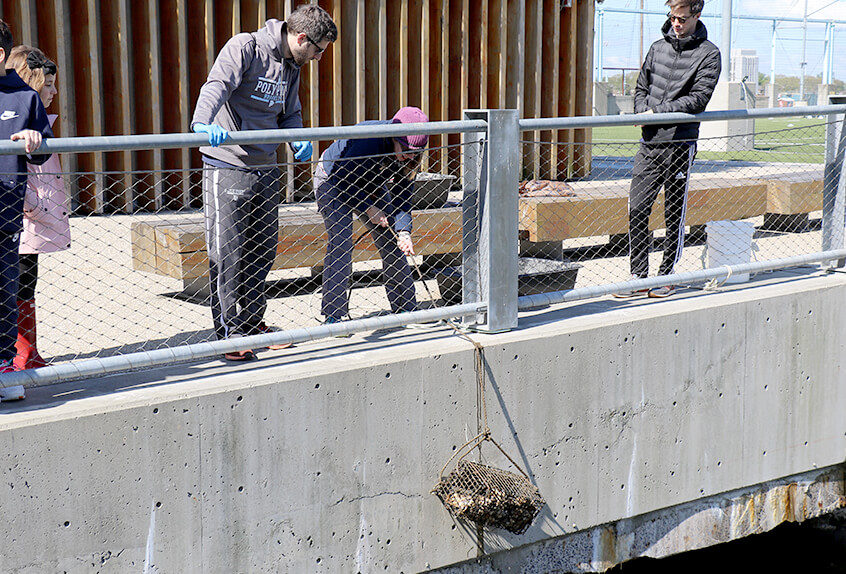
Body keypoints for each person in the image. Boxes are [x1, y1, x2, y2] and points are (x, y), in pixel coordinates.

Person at [191, 6, 337, 361]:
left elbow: (290, 112)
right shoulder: (245, 47)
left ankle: (254, 322)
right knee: (228, 253)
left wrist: (297, 136)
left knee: (262, 249)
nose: (318, 58)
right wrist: (201, 123)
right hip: (229, 164)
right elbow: (217, 86)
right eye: (317, 50)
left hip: (266, 167)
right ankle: (228, 333)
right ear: (301, 38)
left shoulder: (292, 65)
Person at [614, 0, 720, 299]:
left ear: (697, 16)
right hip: (650, 142)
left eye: (683, 19)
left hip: (680, 143)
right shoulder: (657, 48)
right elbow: (641, 87)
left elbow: (699, 99)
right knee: (637, 208)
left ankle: (666, 275)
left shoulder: (709, 54)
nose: (676, 23)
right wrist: (641, 113)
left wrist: (658, 112)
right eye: (673, 17)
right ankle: (638, 276)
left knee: (674, 211)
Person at [315, 106, 428, 325]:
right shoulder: (370, 139)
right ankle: (334, 315)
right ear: (393, 138)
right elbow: (343, 178)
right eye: (405, 150)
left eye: (415, 152)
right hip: (334, 179)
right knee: (342, 242)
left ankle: (406, 308)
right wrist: (369, 208)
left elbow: (403, 195)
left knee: (392, 242)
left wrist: (404, 231)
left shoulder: (410, 156)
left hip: (371, 182)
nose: (409, 156)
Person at [5, 46, 66, 375]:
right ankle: (18, 353)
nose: (54, 92)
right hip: (22, 215)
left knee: (26, 284)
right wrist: (33, 205)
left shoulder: (41, 121)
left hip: (34, 216)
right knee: (14, 284)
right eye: (48, 86)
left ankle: (29, 351)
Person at [0, 21, 54, 389]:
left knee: (5, 290)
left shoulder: (23, 97)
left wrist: (35, 138)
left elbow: (43, 152)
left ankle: (4, 367)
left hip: (3, 215)